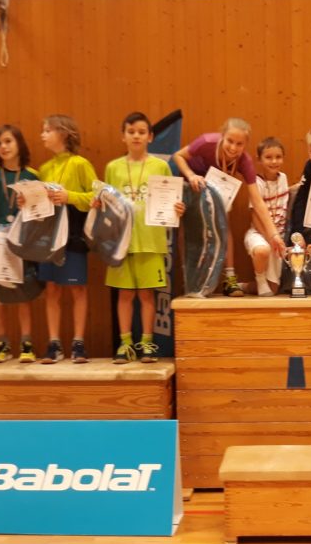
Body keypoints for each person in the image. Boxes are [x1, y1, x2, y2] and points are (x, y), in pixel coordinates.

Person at [101, 112, 184, 363]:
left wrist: (177, 208)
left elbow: (170, 202)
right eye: (131, 131)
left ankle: (147, 343)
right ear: (123, 136)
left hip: (151, 241)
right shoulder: (113, 167)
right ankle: (125, 344)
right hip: (121, 244)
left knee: (148, 295)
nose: (136, 136)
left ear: (150, 136)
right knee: (124, 295)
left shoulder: (160, 166)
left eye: (141, 132)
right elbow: (109, 204)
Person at [173, 118, 285, 297]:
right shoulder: (206, 141)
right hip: (193, 184)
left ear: (246, 144)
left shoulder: (245, 161)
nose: (233, 148)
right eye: (230, 141)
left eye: (239, 144)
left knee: (224, 224)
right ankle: (189, 279)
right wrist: (191, 175)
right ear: (222, 137)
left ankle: (230, 279)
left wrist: (274, 235)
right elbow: (178, 156)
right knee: (189, 230)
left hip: (218, 188)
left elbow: (257, 201)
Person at [35, 114, 98, 363]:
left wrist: (69, 196)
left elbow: (96, 199)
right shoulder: (44, 169)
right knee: (51, 289)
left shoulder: (81, 164)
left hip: (73, 231)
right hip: (50, 234)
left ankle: (78, 343)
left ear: (63, 133)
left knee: (77, 288)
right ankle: (54, 343)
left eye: (47, 130)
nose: (43, 135)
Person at [0, 125, 39, 364]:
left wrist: (28, 205)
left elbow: (40, 212)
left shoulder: (33, 175)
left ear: (19, 143)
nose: (3, 146)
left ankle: (27, 342)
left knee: (23, 292)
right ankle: (2, 343)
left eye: (8, 141)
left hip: (22, 240)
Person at [243, 137, 290, 296]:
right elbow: (255, 216)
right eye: (268, 157)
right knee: (263, 251)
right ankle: (260, 279)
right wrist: (270, 238)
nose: (274, 161)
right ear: (259, 160)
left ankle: (244, 287)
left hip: (279, 235)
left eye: (278, 157)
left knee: (274, 290)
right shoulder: (256, 182)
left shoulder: (283, 178)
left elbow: (281, 195)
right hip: (260, 232)